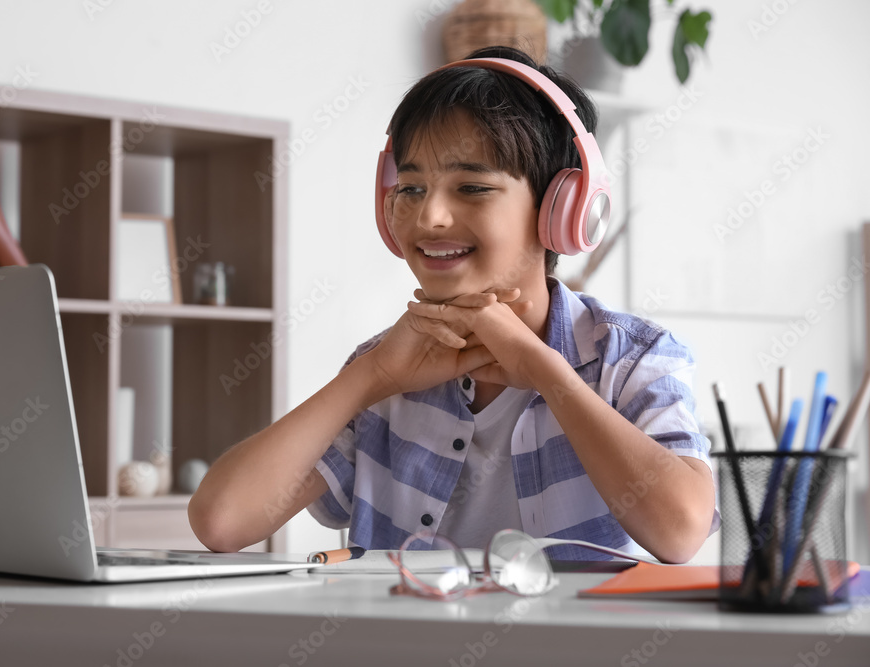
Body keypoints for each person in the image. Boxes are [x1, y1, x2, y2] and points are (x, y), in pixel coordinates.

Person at [189, 46, 718, 563]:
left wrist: (543, 369)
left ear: (563, 208)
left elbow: (680, 533)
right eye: (411, 188)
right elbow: (222, 523)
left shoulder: (632, 358)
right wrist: (371, 377)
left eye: (471, 187)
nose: (430, 218)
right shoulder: (383, 371)